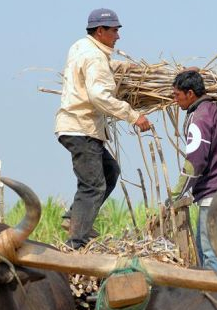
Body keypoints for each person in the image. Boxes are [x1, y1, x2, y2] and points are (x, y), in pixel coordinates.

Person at [55, 8, 151, 250]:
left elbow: (97, 65)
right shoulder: (95, 57)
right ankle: (76, 243)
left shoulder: (81, 47)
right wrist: (133, 116)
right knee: (94, 186)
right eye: (114, 31)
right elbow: (100, 96)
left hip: (76, 126)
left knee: (110, 172)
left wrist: (123, 68)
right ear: (100, 31)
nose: (117, 36)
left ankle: (74, 217)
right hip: (81, 128)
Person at [169, 71, 217, 270]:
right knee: (207, 249)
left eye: (177, 95)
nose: (175, 100)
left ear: (190, 93)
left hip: (215, 190)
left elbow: (195, 161)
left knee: (212, 253)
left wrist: (176, 193)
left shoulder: (201, 116)